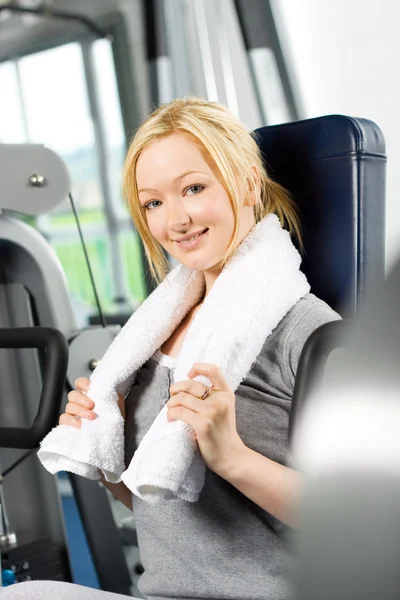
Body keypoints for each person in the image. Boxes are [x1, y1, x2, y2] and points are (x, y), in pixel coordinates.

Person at [3, 97, 340, 600]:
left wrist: (232, 458)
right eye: (153, 203)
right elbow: (159, 509)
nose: (175, 220)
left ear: (248, 183)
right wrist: (104, 449)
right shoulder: (150, 335)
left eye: (194, 188)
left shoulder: (309, 334)